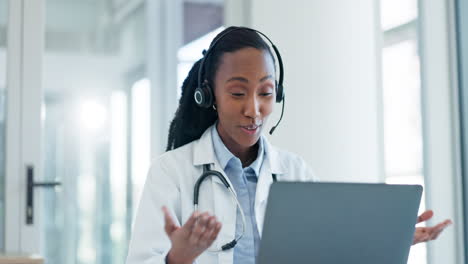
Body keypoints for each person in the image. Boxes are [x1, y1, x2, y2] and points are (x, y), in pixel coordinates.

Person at [126, 26, 452, 264]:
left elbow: (327, 253)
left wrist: (381, 241)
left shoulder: (295, 172)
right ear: (208, 95)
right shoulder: (171, 173)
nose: (253, 110)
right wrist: (176, 259)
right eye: (238, 93)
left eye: (266, 93)